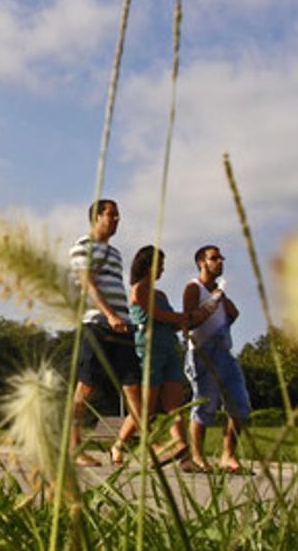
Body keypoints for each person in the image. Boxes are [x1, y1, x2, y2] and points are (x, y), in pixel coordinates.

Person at [69, 199, 143, 466]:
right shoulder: (82, 247)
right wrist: (109, 315)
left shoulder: (116, 254)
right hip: (97, 324)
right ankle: (75, 448)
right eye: (112, 214)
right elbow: (87, 284)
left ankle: (125, 446)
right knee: (86, 387)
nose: (117, 219)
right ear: (97, 217)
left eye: (118, 215)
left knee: (135, 389)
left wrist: (124, 318)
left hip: (122, 328)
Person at [129, 245, 217, 465]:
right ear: (147, 265)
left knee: (175, 405)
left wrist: (196, 317)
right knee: (148, 406)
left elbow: (171, 323)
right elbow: (156, 315)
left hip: (169, 347)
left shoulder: (161, 294)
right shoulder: (138, 289)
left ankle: (182, 452)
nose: (162, 269)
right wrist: (186, 315)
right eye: (159, 265)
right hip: (149, 349)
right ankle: (135, 446)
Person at [182, 245, 251, 473]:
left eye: (221, 258)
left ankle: (228, 455)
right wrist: (212, 302)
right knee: (204, 406)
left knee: (239, 403)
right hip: (202, 353)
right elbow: (188, 321)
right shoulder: (194, 288)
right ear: (201, 262)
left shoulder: (219, 292)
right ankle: (198, 456)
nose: (220, 261)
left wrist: (223, 304)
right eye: (214, 258)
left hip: (224, 353)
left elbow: (234, 313)